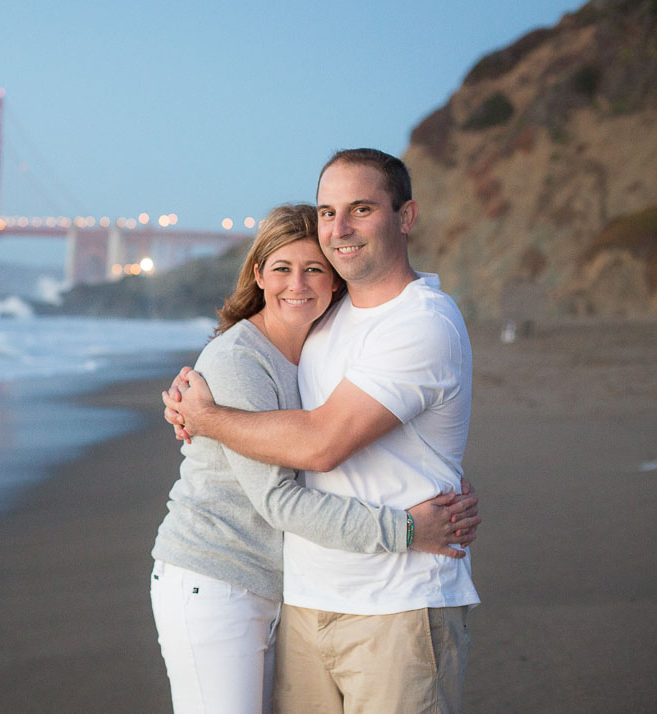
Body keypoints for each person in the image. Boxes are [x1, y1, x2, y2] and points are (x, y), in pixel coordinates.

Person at [164, 149, 480, 713]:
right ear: (259, 274)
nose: (341, 228)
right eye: (329, 211)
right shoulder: (322, 323)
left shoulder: (417, 321)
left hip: (395, 602)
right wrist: (198, 407)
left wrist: (207, 418)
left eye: (361, 208)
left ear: (405, 217)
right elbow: (258, 385)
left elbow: (321, 443)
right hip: (293, 598)